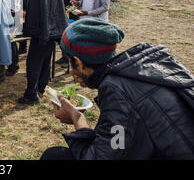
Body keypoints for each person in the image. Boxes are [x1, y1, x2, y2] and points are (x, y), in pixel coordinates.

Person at [42, 18, 194, 160]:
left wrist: (77, 118)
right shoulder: (146, 66)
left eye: (70, 62)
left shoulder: (116, 91)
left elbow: (100, 157)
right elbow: (118, 140)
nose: (71, 71)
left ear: (78, 62)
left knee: (54, 156)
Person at [18, 0, 67, 105]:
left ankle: (31, 95)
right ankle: (42, 87)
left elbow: (34, 14)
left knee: (33, 63)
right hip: (53, 32)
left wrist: (27, 30)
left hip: (41, 34)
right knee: (45, 61)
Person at [0, 0, 22, 76]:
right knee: (10, 42)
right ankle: (13, 65)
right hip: (11, 16)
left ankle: (13, 66)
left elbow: (11, 6)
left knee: (10, 42)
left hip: (11, 16)